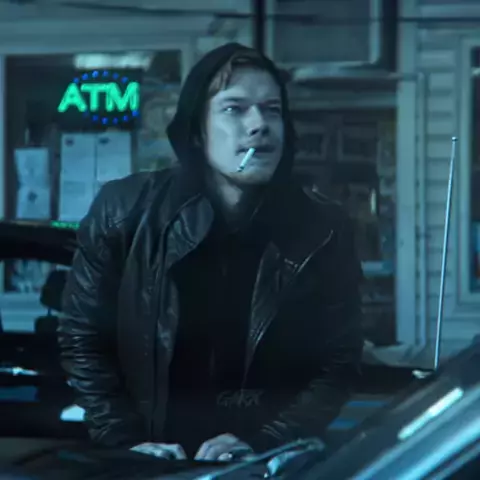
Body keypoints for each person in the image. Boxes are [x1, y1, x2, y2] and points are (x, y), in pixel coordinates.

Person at [58, 42, 364, 462]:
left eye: (272, 109)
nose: (259, 125)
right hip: (149, 461)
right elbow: (84, 339)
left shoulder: (323, 228)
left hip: (265, 464)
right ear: (198, 131)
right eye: (234, 108)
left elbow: (338, 362)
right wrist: (127, 444)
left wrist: (267, 444)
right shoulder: (125, 211)